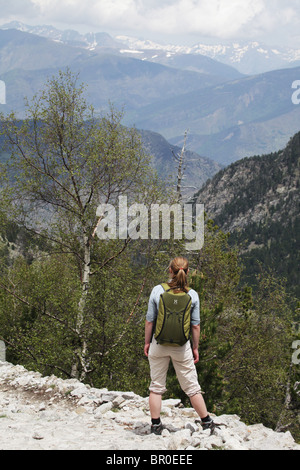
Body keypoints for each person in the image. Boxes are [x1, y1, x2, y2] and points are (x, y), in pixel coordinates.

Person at [144, 256, 215, 435]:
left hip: (158, 343)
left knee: (156, 387)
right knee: (192, 387)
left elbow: (149, 321)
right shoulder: (192, 294)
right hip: (182, 347)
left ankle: (155, 425)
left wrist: (147, 342)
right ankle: (206, 421)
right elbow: (196, 325)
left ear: (170, 270)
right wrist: (195, 348)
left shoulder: (157, 290)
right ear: (188, 272)